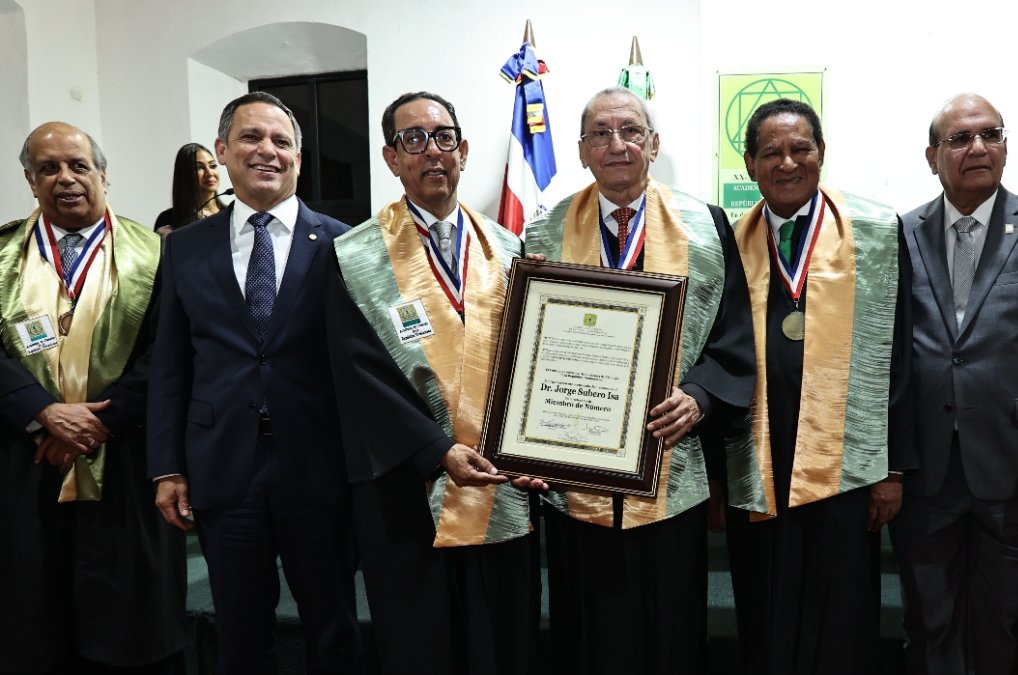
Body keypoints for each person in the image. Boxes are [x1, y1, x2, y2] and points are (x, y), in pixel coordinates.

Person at [523, 86, 755, 674]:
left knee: (669, 631)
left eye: (630, 131)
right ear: (580, 151)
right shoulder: (543, 232)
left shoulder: (706, 225)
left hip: (669, 475)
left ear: (654, 144)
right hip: (575, 475)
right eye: (600, 133)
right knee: (586, 632)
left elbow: (734, 334)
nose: (617, 144)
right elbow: (521, 342)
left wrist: (699, 398)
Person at [325, 91, 540, 675]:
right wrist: (436, 449)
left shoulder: (509, 247)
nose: (431, 152)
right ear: (392, 159)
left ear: (464, 151)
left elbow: (533, 358)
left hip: (503, 480)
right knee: (423, 644)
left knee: (504, 638)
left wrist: (537, 440)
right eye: (413, 139)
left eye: (443, 137)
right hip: (407, 487)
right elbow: (357, 372)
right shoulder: (353, 255)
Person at [147, 92, 362, 674]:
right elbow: (169, 365)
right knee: (240, 632)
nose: (267, 151)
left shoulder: (346, 245)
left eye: (282, 141)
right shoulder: (184, 248)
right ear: (222, 150)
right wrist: (167, 465)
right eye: (250, 138)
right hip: (223, 469)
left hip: (319, 468)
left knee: (332, 625)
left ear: (299, 157)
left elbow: (361, 367)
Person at [888, 93, 1018, 675]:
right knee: (927, 624)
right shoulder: (899, 233)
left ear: (1005, 146)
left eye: (991, 135)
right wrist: (891, 463)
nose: (977, 147)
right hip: (926, 473)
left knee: (1003, 624)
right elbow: (891, 358)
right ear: (932, 156)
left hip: (1017, 468)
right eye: (959, 139)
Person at [718, 98, 915, 674]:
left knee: (841, 610)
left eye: (800, 148)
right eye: (771, 152)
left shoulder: (877, 233)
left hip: (846, 465)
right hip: (757, 459)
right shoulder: (726, 241)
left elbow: (902, 355)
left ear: (821, 154)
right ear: (750, 164)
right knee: (762, 601)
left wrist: (894, 468)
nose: (787, 163)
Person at [0, 122, 185, 674]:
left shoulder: (157, 255)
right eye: (49, 168)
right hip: (24, 460)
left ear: (103, 174)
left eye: (78, 166)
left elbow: (170, 351)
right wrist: (42, 413)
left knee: (130, 629)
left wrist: (98, 423)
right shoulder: (2, 253)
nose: (66, 179)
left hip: (126, 460)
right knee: (32, 622)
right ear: (30, 182)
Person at [153, 142, 227, 236]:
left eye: (212, 166)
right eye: (199, 167)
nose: (209, 173)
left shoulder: (231, 213)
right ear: (184, 174)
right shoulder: (168, 219)